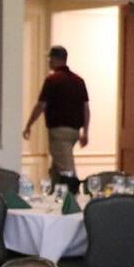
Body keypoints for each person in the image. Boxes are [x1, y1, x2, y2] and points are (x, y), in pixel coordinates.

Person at [22, 45, 90, 188]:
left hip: (59, 131)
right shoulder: (78, 81)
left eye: (50, 58)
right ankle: (54, 192)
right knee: (57, 168)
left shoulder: (53, 80)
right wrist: (85, 132)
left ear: (55, 59)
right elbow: (85, 108)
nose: (49, 61)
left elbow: (41, 105)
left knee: (67, 171)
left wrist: (29, 125)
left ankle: (72, 194)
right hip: (74, 131)